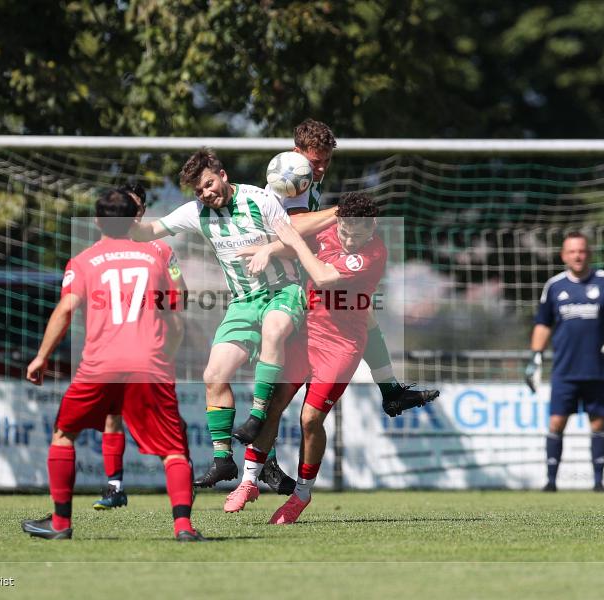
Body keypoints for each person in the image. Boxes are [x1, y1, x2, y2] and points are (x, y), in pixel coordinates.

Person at [236, 119, 439, 496]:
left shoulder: (303, 180)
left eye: (326, 161)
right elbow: (298, 231)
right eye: (316, 161)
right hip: (275, 285)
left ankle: (390, 388)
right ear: (296, 155)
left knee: (361, 307)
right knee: (273, 379)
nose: (321, 168)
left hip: (295, 278)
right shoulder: (288, 184)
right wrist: (340, 211)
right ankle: (257, 456)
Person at [131, 149, 331, 488]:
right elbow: (150, 230)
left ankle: (255, 419)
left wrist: (271, 251)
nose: (205, 193)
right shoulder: (196, 212)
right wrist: (123, 221)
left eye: (208, 184)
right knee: (214, 374)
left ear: (222, 175)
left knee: (274, 330)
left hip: (284, 291)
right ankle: (223, 459)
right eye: (198, 190)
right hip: (242, 302)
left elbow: (294, 239)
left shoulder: (260, 200)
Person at [21, 189, 202, 541]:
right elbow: (177, 316)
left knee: (64, 434)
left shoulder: (84, 261)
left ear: (99, 221)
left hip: (100, 365)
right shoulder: (157, 256)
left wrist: (42, 356)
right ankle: (183, 527)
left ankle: (60, 524)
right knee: (174, 449)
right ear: (135, 218)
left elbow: (65, 309)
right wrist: (168, 353)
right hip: (150, 364)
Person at [224, 192, 388, 522]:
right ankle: (248, 482)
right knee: (274, 403)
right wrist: (270, 247)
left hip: (342, 344)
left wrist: (295, 244)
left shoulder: (372, 254)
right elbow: (293, 237)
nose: (350, 240)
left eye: (358, 235)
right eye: (345, 232)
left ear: (372, 228)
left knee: (310, 419)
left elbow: (323, 274)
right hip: (307, 332)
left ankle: (300, 495)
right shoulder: (327, 231)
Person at [91, 182, 188, 511]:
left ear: (141, 211)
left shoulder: (162, 250)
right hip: (115, 349)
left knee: (168, 420)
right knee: (111, 416)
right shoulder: (104, 250)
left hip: (153, 349)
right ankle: (114, 487)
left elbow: (181, 292)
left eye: (132, 208)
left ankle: (182, 484)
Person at [524, 232, 604, 492]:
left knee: (598, 422)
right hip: (564, 369)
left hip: (598, 367)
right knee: (556, 422)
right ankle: (551, 483)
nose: (577, 255)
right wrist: (534, 356)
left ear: (589, 253)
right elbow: (543, 324)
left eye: (582, 251)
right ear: (564, 255)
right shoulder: (554, 286)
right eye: (572, 251)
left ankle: (598, 483)